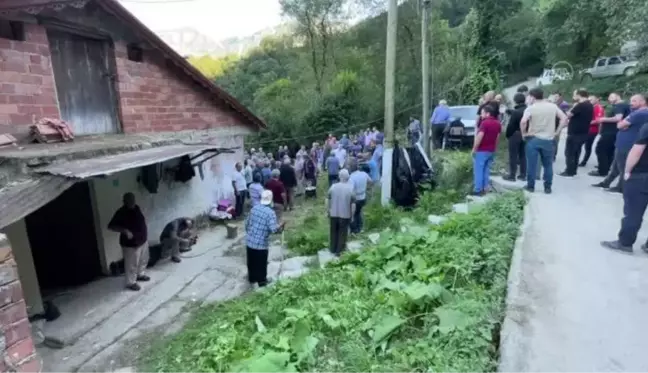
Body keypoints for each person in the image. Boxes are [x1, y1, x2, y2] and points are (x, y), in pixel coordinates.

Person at [601, 113, 648, 253]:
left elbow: (637, 151)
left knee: (633, 212)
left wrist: (627, 171)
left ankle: (625, 243)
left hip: (642, 174)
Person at [521, 87, 568, 194]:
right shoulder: (553, 106)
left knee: (532, 164)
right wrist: (557, 131)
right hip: (549, 139)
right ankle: (547, 187)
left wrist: (524, 134)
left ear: (532, 96)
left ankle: (531, 186)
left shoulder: (531, 108)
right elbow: (564, 119)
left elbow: (523, 122)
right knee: (548, 165)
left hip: (533, 138)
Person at [108, 193, 149, 291]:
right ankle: (131, 282)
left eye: (132, 199)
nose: (131, 202)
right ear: (124, 201)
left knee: (143, 259)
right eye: (128, 200)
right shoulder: (121, 212)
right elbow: (111, 226)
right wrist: (125, 230)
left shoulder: (136, 208)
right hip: (130, 244)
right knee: (131, 264)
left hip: (142, 240)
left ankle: (140, 274)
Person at [245, 190, 286, 287]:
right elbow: (273, 230)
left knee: (251, 263)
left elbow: (247, 224)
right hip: (261, 245)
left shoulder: (254, 208)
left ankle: (252, 279)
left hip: (250, 242)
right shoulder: (270, 213)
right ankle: (262, 282)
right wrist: (281, 226)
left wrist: (251, 234)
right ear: (271, 199)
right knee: (261, 265)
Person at [593, 94, 634, 188]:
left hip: (611, 132)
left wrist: (603, 119)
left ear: (618, 96)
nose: (609, 99)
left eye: (611, 97)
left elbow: (618, 118)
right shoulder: (622, 106)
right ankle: (606, 177)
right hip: (613, 132)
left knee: (601, 149)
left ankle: (603, 170)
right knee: (613, 156)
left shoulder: (620, 105)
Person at [561, 89, 594, 177]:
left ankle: (569, 171)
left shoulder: (580, 105)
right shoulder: (589, 105)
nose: (573, 96)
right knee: (576, 152)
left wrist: (566, 110)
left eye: (574, 94)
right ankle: (573, 170)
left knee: (570, 152)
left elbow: (569, 114)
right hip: (584, 131)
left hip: (575, 132)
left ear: (579, 95)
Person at [472, 105, 502, 196]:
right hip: (491, 150)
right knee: (486, 169)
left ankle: (478, 190)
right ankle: (486, 188)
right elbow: (497, 138)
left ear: (487, 113)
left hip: (482, 150)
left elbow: (480, 136)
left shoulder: (484, 123)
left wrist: (474, 148)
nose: (481, 115)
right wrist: (494, 148)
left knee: (478, 170)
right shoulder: (498, 123)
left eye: (482, 113)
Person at [327, 169, 356, 256]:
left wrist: (328, 210)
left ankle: (332, 248)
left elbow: (327, 199)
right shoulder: (350, 188)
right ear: (348, 177)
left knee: (333, 231)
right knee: (342, 233)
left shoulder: (333, 186)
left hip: (333, 213)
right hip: (345, 214)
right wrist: (352, 215)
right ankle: (339, 251)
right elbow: (353, 204)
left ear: (339, 177)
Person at [505, 93, 527, 181]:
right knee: (523, 155)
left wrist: (508, 134)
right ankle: (523, 174)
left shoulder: (516, 112)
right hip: (525, 134)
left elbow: (511, 125)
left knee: (513, 155)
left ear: (515, 101)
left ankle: (512, 175)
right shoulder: (528, 110)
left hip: (515, 134)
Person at [579, 95, 604, 167]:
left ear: (597, 99)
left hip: (592, 130)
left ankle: (584, 161)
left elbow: (598, 120)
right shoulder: (591, 107)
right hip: (586, 129)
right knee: (582, 145)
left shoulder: (598, 108)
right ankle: (582, 161)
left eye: (591, 100)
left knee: (587, 146)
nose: (589, 101)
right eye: (589, 100)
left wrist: (586, 122)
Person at [349, 162, 372, 234]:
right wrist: (366, 188)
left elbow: (351, 189)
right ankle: (360, 227)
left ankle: (355, 230)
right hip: (363, 197)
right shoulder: (364, 174)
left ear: (350, 168)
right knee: (358, 213)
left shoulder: (351, 177)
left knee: (353, 214)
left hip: (356, 198)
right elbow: (370, 181)